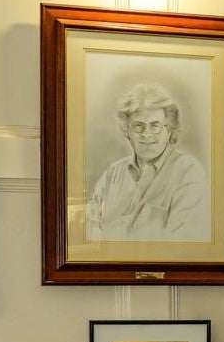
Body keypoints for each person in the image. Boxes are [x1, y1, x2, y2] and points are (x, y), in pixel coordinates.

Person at [87, 84, 209, 243]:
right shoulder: (112, 174)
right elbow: (89, 235)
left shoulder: (189, 172)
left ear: (169, 129)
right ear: (126, 130)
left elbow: (181, 245)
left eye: (155, 125)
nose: (146, 134)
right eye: (138, 126)